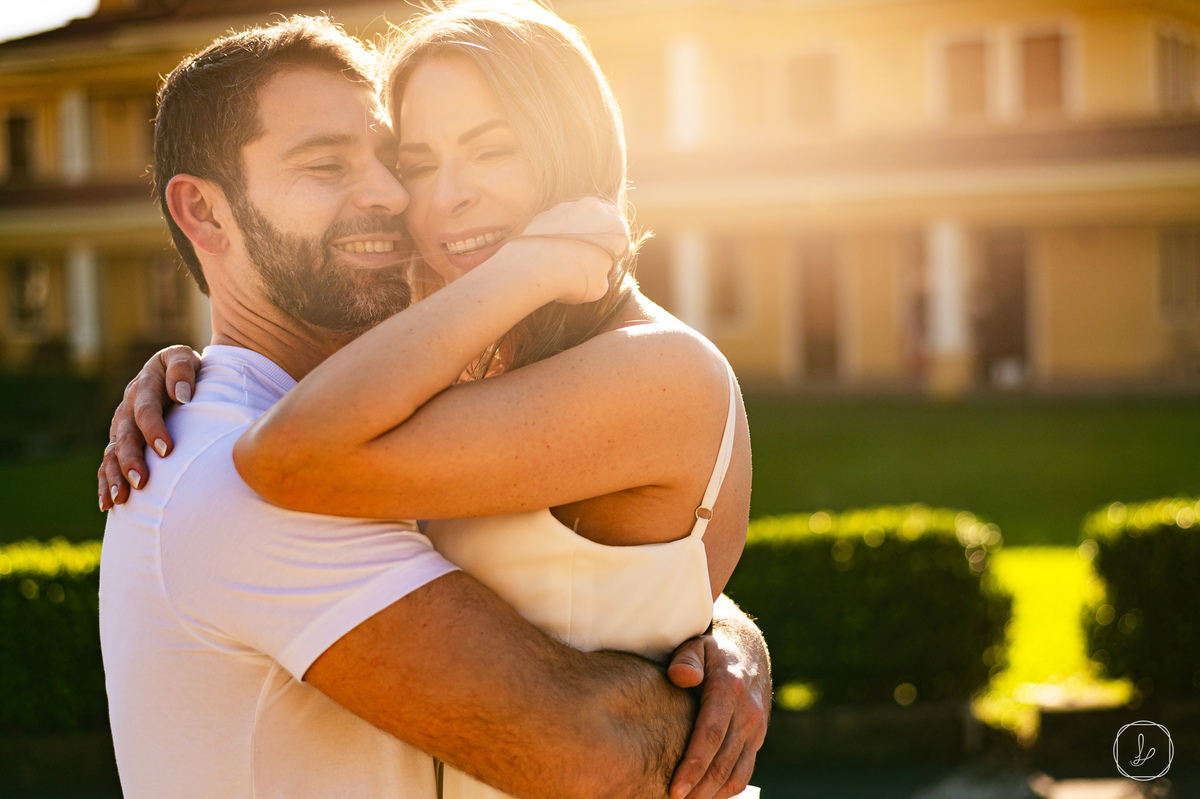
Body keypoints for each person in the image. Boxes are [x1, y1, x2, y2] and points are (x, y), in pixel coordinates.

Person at [97, 11, 768, 799]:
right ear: (204, 213)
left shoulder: (411, 411)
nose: (391, 195)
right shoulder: (226, 466)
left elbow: (607, 560)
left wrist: (716, 625)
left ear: (572, 149)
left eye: (390, 161)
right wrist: (536, 263)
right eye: (326, 165)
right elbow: (600, 750)